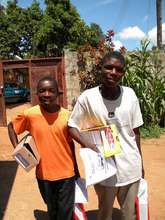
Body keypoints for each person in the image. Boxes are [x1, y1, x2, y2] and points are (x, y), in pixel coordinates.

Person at [68, 51, 144, 220]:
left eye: (118, 69)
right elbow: (72, 126)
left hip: (131, 168)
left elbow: (136, 132)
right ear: (100, 68)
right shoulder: (88, 98)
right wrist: (89, 145)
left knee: (129, 215)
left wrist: (141, 163)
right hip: (104, 171)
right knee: (104, 214)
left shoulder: (130, 95)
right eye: (108, 67)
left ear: (123, 73)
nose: (113, 72)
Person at [8, 76, 78, 220]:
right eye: (42, 91)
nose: (46, 94)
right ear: (37, 94)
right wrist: (18, 149)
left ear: (58, 93)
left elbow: (70, 144)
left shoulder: (67, 116)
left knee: (66, 212)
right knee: (51, 209)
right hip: (43, 174)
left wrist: (75, 169)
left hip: (66, 173)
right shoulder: (31, 114)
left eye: (51, 90)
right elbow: (11, 127)